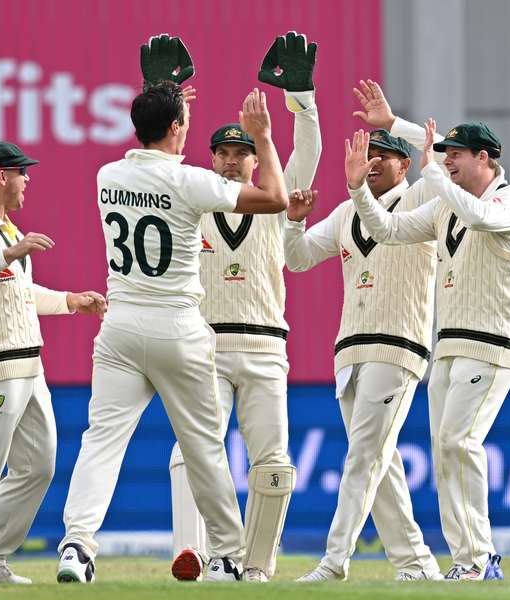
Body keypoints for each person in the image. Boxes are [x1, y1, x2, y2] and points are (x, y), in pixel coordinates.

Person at [56, 38, 290, 583]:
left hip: (118, 325)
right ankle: (229, 554)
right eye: (183, 119)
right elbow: (276, 198)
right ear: (180, 128)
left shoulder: (106, 176)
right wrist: (262, 139)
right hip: (177, 326)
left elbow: (155, 138)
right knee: (204, 445)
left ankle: (77, 547)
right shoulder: (192, 182)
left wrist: (165, 103)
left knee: (102, 441)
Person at [347, 80, 510, 581]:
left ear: (486, 159)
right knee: (446, 448)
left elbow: (480, 215)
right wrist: (359, 191)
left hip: (493, 344)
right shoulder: (446, 205)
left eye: (457, 154)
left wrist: (426, 165)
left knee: (458, 443)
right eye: (444, 153)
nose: (447, 161)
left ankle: (478, 557)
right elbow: (387, 231)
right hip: (448, 345)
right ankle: (467, 560)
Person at [166, 31, 320, 583]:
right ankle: (194, 555)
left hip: (264, 346)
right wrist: (166, 98)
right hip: (204, 344)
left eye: (242, 154)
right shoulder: (190, 196)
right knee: (192, 452)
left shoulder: (277, 198)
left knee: (274, 467)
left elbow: (310, 152)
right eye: (224, 153)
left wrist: (299, 99)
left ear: (255, 159)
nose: (232, 163)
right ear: (210, 157)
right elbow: (158, 166)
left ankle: (254, 568)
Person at [0, 142, 106, 585]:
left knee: (38, 465)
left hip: (28, 364)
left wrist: (70, 301)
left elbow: (19, 294)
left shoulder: (7, 229)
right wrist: (10, 253)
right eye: (22, 173)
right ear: (2, 176)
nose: (28, 180)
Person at [283, 120, 443, 581]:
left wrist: (398, 127)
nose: (371, 162)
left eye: (382, 155)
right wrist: (295, 221)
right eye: (366, 154)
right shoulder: (343, 212)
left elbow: (433, 178)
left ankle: (334, 562)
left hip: (396, 345)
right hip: (350, 348)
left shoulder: (421, 201)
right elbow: (297, 259)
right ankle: (416, 564)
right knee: (380, 461)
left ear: (404, 164)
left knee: (362, 459)